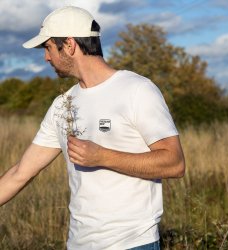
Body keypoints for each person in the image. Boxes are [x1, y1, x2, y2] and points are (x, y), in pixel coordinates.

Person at [0, 6, 185, 250]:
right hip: (79, 244)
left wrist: (102, 156)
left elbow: (174, 163)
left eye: (47, 48)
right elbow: (20, 173)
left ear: (69, 45)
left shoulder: (137, 90)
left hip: (132, 244)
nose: (46, 58)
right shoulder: (62, 105)